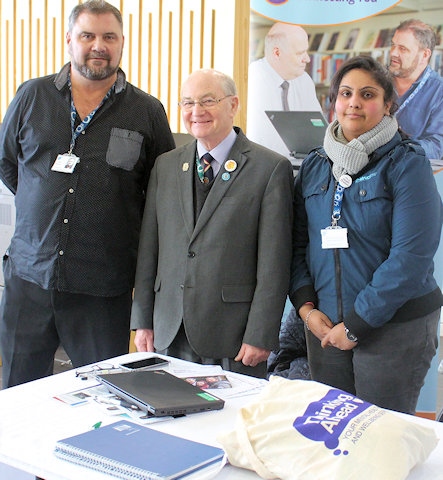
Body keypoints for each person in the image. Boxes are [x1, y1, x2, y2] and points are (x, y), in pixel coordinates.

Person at [0, 0, 175, 388]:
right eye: (88, 35)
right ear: (69, 40)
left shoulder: (146, 111)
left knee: (105, 399)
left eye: (109, 37)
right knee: (15, 396)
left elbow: (161, 193)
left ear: (122, 43)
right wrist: (39, 200)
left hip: (103, 288)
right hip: (29, 279)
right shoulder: (32, 96)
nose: (99, 45)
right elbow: (7, 162)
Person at [290, 55, 443, 415]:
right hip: (325, 328)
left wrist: (356, 325)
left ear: (388, 105)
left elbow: (411, 259)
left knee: (380, 441)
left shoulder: (407, 162)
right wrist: (307, 309)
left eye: (367, 94)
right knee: (335, 436)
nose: (354, 102)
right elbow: (297, 246)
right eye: (345, 93)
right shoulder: (314, 164)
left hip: (394, 329)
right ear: (334, 103)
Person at [130, 69, 294, 378]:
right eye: (187, 102)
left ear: (233, 105)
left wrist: (260, 334)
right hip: (168, 328)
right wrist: (143, 319)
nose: (196, 111)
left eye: (208, 100)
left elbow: (274, 264)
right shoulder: (165, 166)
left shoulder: (270, 169)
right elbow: (149, 249)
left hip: (232, 336)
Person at [247, 22, 322, 157]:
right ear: (277, 53)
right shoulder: (250, 79)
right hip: (262, 166)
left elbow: (317, 132)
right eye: (300, 53)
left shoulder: (304, 80)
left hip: (301, 167)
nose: (308, 59)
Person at [389, 19, 443, 160]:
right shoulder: (378, 82)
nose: (393, 53)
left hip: (412, 172)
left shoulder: (439, 92)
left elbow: (437, 147)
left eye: (402, 48)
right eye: (393, 45)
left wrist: (396, 149)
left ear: (424, 55)